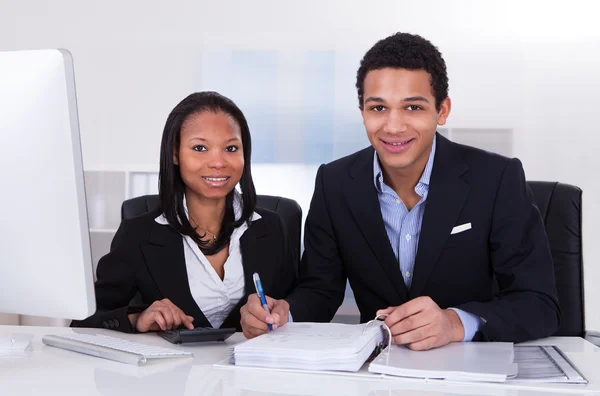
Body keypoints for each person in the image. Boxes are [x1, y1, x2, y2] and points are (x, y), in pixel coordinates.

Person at [240, 33, 560, 349]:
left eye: (412, 108)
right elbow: (320, 290)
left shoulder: (496, 178)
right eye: (378, 108)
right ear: (362, 110)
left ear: (442, 110)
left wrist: (454, 323)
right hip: (379, 370)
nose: (393, 126)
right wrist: (284, 314)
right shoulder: (335, 182)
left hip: (469, 367)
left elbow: (539, 304)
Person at [73, 91, 296, 333]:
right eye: (200, 148)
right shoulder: (137, 235)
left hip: (250, 369)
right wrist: (137, 319)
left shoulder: (272, 227)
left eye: (231, 148)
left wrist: (279, 313)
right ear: (175, 154)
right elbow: (82, 322)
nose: (218, 162)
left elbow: (294, 306)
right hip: (174, 370)